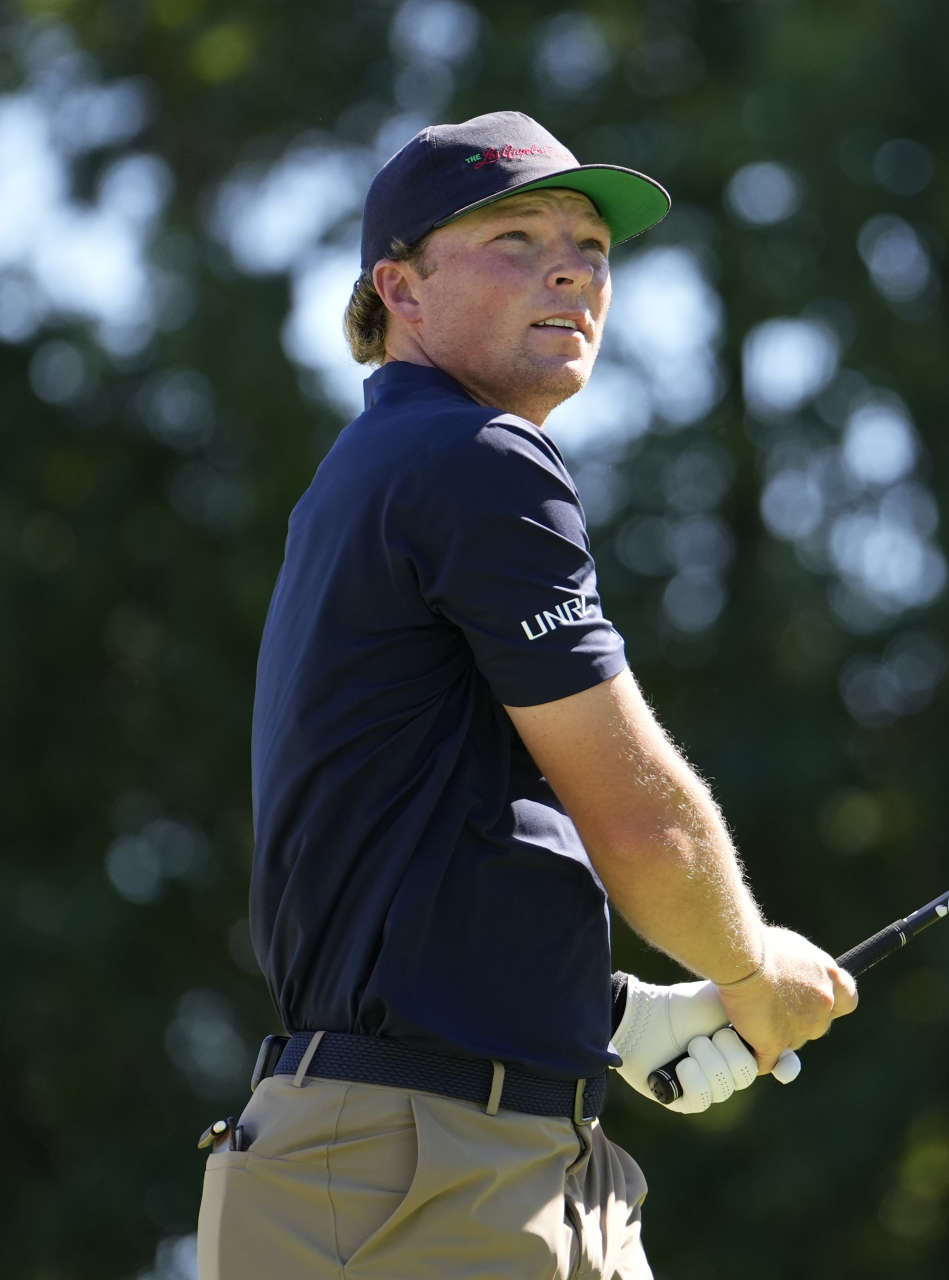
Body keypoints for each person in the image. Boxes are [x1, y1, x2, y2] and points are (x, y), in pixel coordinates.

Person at [195, 110, 857, 1279]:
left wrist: (609, 1014)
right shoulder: (477, 458)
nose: (572, 267)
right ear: (400, 288)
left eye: (592, 246)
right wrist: (753, 973)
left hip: (429, 1160)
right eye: (516, 236)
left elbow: (405, 854)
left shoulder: (374, 474)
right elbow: (642, 824)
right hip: (429, 1175)